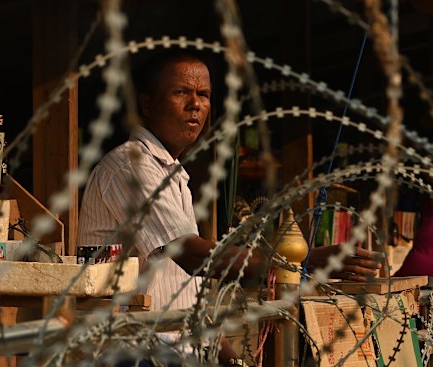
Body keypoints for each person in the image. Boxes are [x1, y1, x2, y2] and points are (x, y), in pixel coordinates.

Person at [77, 50, 381, 365]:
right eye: (181, 92)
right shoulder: (132, 165)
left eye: (203, 95)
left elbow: (187, 300)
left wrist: (233, 361)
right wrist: (300, 263)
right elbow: (193, 255)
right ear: (148, 103)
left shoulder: (173, 176)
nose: (195, 104)